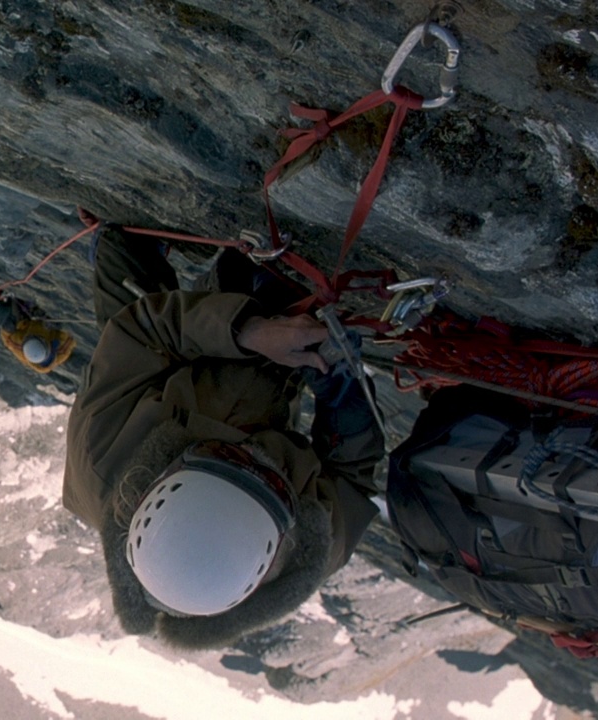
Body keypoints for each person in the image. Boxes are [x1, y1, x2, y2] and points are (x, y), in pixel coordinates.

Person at [62, 224, 385, 648]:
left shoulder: (103, 450)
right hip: (255, 401)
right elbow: (353, 476)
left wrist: (245, 331)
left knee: (126, 259)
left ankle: (129, 250)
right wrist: (343, 396)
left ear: (161, 475)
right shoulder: (308, 550)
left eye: (223, 455)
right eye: (270, 478)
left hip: (171, 383)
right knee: (274, 310)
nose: (248, 452)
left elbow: (139, 332)